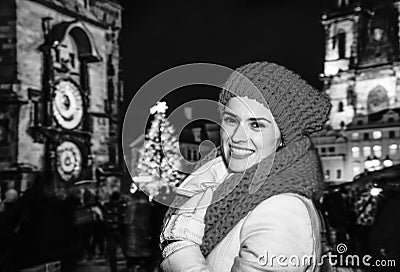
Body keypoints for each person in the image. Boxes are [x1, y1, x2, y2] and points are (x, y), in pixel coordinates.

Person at [159, 62, 331, 271]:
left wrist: (180, 250)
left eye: (256, 125)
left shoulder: (283, 211)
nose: (237, 137)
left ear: (283, 138)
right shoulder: (216, 181)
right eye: (231, 120)